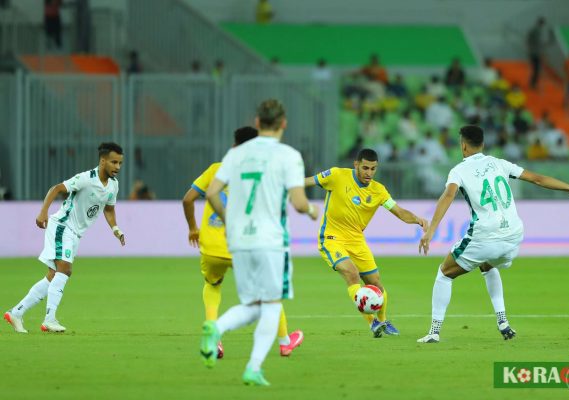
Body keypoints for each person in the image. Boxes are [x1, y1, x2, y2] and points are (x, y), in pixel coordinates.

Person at [416, 125, 569, 343]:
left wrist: (430, 230)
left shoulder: (458, 171)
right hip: (513, 236)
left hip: (485, 236)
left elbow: (448, 195)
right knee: (487, 264)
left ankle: (434, 331)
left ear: (463, 145)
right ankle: (503, 322)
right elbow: (538, 178)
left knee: (444, 273)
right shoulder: (499, 163)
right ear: (482, 144)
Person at [200, 99, 319, 386]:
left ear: (257, 122)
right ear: (283, 123)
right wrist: (313, 211)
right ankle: (252, 365)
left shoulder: (235, 155)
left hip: (239, 240)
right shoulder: (288, 155)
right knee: (271, 303)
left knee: (254, 303)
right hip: (271, 240)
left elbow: (212, 192)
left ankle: (217, 329)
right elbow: (300, 202)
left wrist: (229, 220)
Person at [182, 126, 305, 361]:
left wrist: (192, 228)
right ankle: (284, 342)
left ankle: (213, 336)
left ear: (234, 145)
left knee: (212, 285)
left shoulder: (216, 170)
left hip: (211, 248)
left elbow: (188, 199)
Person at [304, 149, 428, 338]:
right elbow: (308, 181)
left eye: (373, 169)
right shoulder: (337, 175)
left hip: (357, 241)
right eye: (365, 168)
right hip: (332, 238)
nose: (369, 173)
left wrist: (418, 219)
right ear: (356, 164)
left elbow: (399, 212)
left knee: (376, 283)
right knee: (352, 273)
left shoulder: (378, 191)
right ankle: (373, 323)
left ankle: (383, 320)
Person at [4, 143, 125, 333]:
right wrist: (43, 211)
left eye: (120, 163)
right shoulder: (86, 179)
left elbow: (109, 209)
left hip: (75, 233)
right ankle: (49, 319)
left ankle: (16, 313)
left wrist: (116, 229)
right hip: (62, 226)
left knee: (53, 276)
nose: (117, 167)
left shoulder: (113, 185)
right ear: (103, 161)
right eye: (114, 162)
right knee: (65, 270)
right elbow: (56, 188)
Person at [527, 17, 547, 89]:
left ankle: (532, 83)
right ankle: (533, 84)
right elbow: (538, 42)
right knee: (537, 69)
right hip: (535, 53)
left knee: (535, 69)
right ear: (542, 23)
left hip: (532, 52)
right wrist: (541, 52)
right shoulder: (537, 31)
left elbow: (529, 40)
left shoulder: (533, 30)